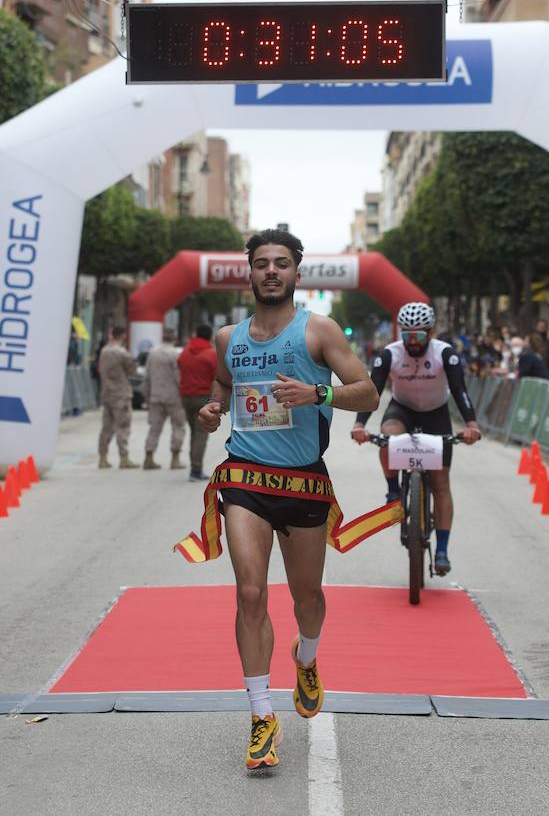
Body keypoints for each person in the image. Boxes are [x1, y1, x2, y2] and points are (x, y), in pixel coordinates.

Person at [196, 228, 378, 770]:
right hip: (244, 479)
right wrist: (210, 412)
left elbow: (367, 390)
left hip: (302, 483)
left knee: (307, 597)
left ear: (297, 273)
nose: (270, 272)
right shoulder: (230, 338)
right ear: (248, 273)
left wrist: (316, 392)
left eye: (280, 264)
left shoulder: (317, 330)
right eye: (261, 264)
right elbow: (221, 393)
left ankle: (308, 656)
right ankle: (260, 716)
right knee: (250, 593)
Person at [350, 301, 481, 575]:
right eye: (406, 334)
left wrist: (471, 425)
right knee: (388, 437)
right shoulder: (389, 354)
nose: (411, 341)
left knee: (441, 484)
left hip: (436, 413)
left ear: (430, 333)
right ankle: (393, 490)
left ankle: (442, 550)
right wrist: (359, 425)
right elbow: (372, 392)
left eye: (418, 335)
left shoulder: (445, 354)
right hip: (403, 409)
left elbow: (460, 391)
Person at [178, 324, 219, 482]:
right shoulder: (211, 354)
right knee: (201, 434)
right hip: (202, 397)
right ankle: (196, 470)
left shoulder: (185, 353)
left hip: (186, 397)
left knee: (194, 433)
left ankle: (194, 466)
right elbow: (217, 377)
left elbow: (179, 368)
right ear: (209, 337)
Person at [141, 329, 186, 471]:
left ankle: (149, 457)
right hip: (174, 397)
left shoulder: (152, 353)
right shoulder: (174, 354)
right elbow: (178, 377)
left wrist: (147, 397)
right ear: (175, 339)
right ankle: (175, 458)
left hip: (156, 396)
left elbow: (147, 377)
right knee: (178, 426)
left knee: (154, 428)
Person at [97, 326, 138, 469]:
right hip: (121, 393)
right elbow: (131, 370)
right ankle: (124, 458)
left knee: (106, 427)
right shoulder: (122, 353)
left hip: (107, 393)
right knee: (123, 426)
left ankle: (103, 457)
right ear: (124, 336)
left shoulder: (104, 351)